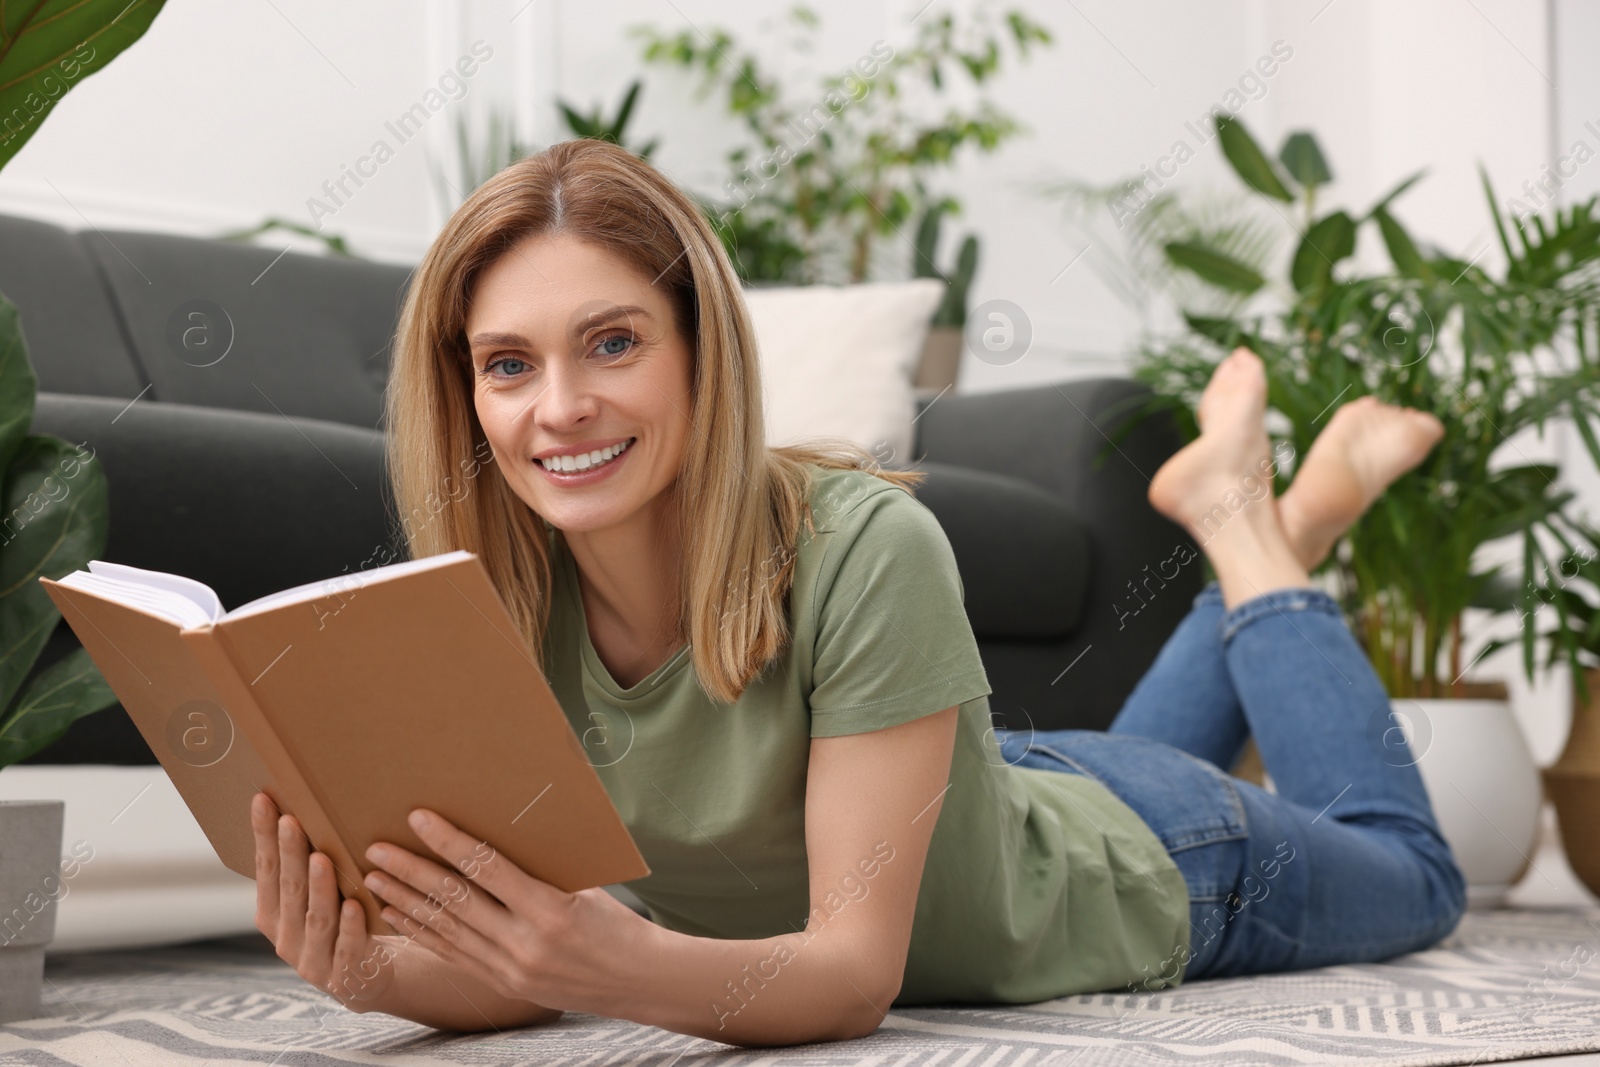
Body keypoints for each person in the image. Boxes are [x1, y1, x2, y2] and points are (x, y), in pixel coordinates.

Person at [248, 139, 1466, 1047]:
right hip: (984, 803)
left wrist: (617, 965)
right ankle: (1269, 521)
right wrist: (370, 967)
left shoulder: (866, 546)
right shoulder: (499, 603)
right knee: (1038, 795)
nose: (557, 406)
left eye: (612, 342)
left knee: (1412, 874)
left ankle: (1253, 533)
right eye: (508, 364)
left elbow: (850, 975)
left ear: (698, 348)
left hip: (1151, 864)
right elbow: (533, 966)